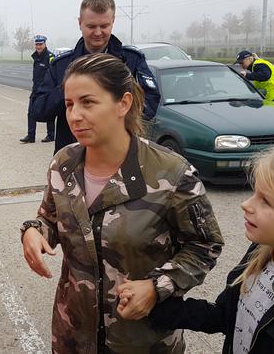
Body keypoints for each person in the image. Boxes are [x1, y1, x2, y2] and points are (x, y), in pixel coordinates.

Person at [20, 53, 224, 353]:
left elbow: (205, 246)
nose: (75, 115)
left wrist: (157, 287)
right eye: (69, 104)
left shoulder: (171, 173)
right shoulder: (63, 163)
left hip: (142, 339)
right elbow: (50, 218)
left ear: (123, 104)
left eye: (88, 102)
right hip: (73, 336)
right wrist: (34, 231)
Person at [128, 143, 274, 354]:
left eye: (265, 201)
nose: (246, 204)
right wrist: (155, 302)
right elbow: (226, 315)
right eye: (254, 193)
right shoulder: (260, 253)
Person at [31, 0, 161, 154]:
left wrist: (116, 122)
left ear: (113, 22)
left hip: (120, 155)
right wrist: (69, 88)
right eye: (91, 26)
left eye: (104, 26)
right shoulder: (61, 66)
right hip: (73, 158)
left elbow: (151, 101)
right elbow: (39, 110)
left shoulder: (132, 61)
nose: (98, 32)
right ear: (80, 23)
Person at [19, 34, 55, 144]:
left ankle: (50, 135)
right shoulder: (36, 57)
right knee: (31, 113)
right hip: (36, 90)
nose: (38, 46)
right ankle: (31, 136)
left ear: (45, 44)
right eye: (37, 44)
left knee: (49, 113)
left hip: (47, 90)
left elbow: (54, 74)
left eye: (40, 44)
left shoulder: (50, 57)